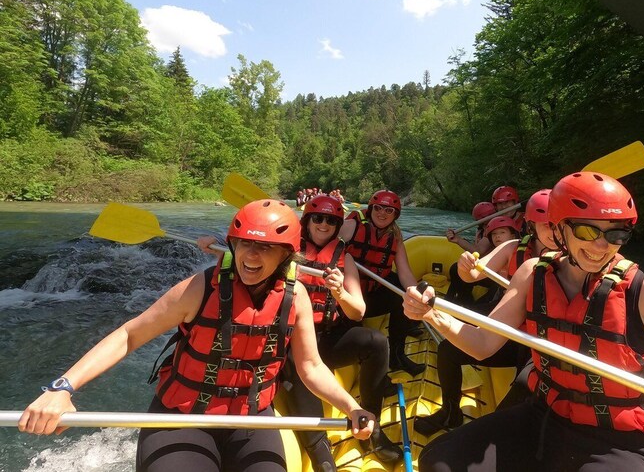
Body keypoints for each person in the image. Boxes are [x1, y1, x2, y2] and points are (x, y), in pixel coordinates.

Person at [405, 173, 644, 471]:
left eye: (616, 234)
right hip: (546, 415)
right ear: (560, 229)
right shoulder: (532, 273)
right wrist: (431, 313)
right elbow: (481, 344)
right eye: (587, 231)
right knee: (438, 460)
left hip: (621, 441)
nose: (601, 245)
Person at [18, 199, 374, 472]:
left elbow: (310, 367)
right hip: (182, 417)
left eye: (265, 247)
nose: (251, 255)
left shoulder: (293, 298)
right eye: (244, 243)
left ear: (286, 255)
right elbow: (129, 335)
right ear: (232, 244)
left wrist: (352, 407)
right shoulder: (199, 288)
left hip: (251, 417)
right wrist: (62, 388)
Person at [416, 192, 555, 437]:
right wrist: (466, 265)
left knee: (523, 388)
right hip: (512, 335)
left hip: (543, 345)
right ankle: (450, 412)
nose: (555, 231)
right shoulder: (513, 248)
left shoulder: (574, 259)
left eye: (561, 224)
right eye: (548, 224)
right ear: (532, 225)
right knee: (448, 351)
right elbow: (474, 275)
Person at [280, 195, 402, 467]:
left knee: (376, 342)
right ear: (307, 221)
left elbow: (357, 311)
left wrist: (340, 292)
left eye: (331, 220)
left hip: (327, 336)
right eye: (318, 219)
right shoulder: (286, 251)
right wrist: (220, 248)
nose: (324, 225)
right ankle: (322, 456)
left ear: (338, 225)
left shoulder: (343, 257)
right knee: (295, 363)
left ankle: (373, 426)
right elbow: (246, 255)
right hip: (293, 338)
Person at [339, 189, 425, 377]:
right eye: (378, 208)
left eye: (389, 211)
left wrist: (415, 294)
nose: (382, 213)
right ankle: (372, 372)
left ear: (395, 214)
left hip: (371, 294)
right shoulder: (350, 226)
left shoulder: (395, 236)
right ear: (371, 209)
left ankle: (396, 355)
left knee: (402, 291)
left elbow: (404, 272)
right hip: (347, 300)